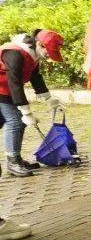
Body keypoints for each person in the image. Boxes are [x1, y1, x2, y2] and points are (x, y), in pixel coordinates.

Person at [0, 30, 65, 177]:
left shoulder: (33, 54)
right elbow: (14, 82)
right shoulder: (15, 53)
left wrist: (49, 100)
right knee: (15, 122)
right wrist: (26, 112)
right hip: (3, 89)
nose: (49, 55)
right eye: (49, 51)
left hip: (8, 89)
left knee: (19, 122)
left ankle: (16, 159)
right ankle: (12, 163)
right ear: (39, 44)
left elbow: (35, 77)